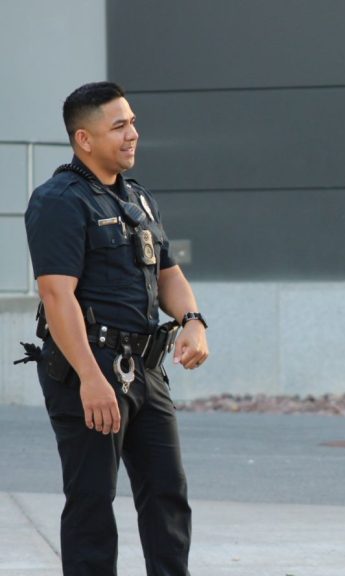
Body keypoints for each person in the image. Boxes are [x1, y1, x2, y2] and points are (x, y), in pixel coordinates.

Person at [23, 82, 209, 576]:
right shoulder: (60, 200)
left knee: (168, 495)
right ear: (84, 139)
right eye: (119, 126)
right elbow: (57, 295)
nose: (133, 134)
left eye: (132, 122)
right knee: (91, 504)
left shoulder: (138, 200)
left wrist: (192, 321)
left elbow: (168, 272)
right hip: (90, 366)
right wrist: (89, 377)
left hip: (145, 369)